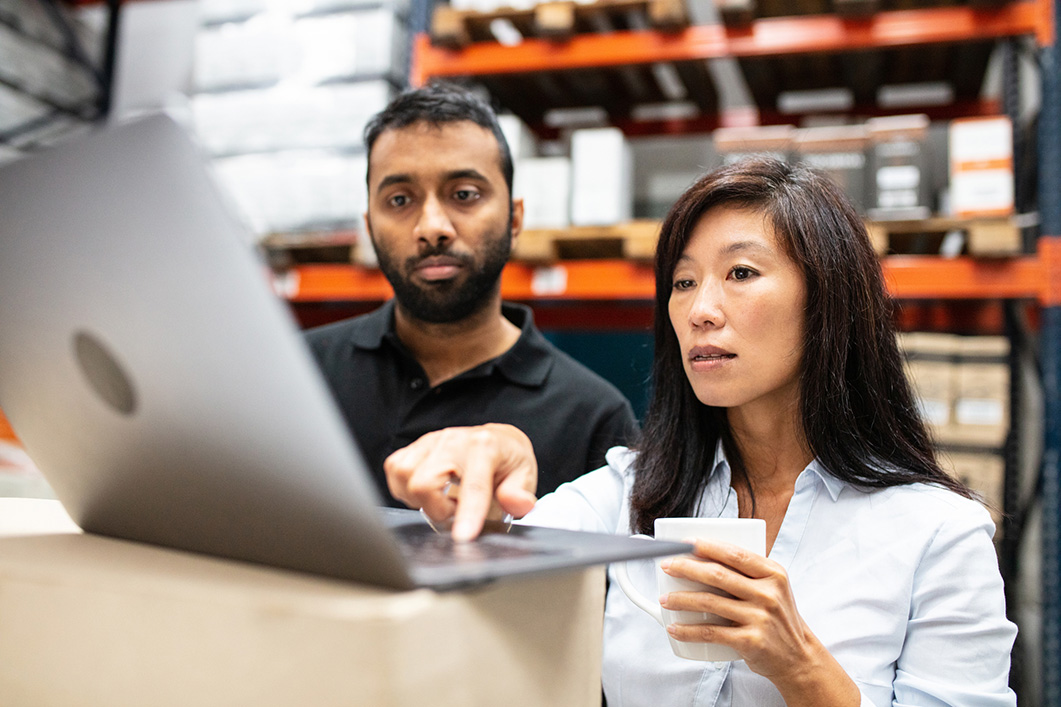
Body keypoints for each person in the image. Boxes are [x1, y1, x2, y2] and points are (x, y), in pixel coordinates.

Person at [385, 157, 1018, 706]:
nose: (699, 309)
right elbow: (500, 545)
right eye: (683, 282)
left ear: (828, 300)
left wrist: (801, 668)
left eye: (741, 273)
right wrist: (489, 464)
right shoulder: (632, 491)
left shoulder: (939, 535)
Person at [305, 83, 638, 507]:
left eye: (464, 195)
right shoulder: (299, 374)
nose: (432, 227)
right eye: (400, 199)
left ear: (514, 219)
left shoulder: (594, 418)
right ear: (369, 226)